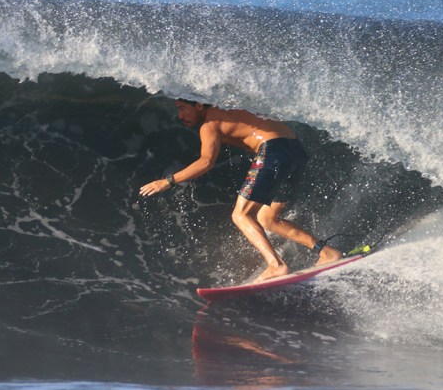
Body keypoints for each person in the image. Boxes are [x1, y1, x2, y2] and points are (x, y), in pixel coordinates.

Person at [139, 99, 342, 281]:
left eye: (183, 108)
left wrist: (167, 182)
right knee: (268, 219)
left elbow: (206, 161)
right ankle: (327, 252)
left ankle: (276, 265)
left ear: (199, 105)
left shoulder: (209, 125)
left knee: (241, 215)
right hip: (295, 150)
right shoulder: (230, 106)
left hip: (272, 151)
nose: (180, 115)